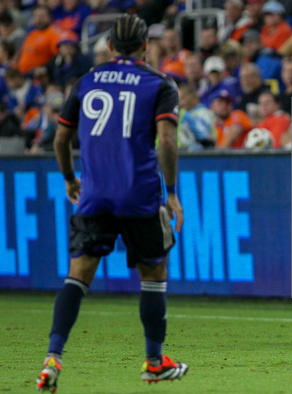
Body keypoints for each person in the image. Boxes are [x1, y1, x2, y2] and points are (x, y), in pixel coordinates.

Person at [36, 14, 188, 392]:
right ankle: (154, 362)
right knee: (154, 275)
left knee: (77, 276)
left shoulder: (86, 82)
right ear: (145, 46)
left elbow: (60, 140)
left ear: (108, 47)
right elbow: (166, 141)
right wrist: (171, 193)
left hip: (95, 195)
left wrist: (71, 179)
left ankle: (53, 358)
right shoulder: (159, 83)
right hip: (139, 196)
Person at [17, 5, 61, 75]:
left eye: (42, 16)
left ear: (50, 17)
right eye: (36, 16)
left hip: (39, 75)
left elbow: (58, 56)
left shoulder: (53, 32)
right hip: (23, 74)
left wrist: (44, 68)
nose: (39, 19)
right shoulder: (32, 33)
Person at [177, 82, 215, 151]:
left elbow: (206, 140)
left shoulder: (202, 114)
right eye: (179, 99)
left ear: (194, 96)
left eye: (183, 98)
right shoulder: (188, 113)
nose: (180, 103)